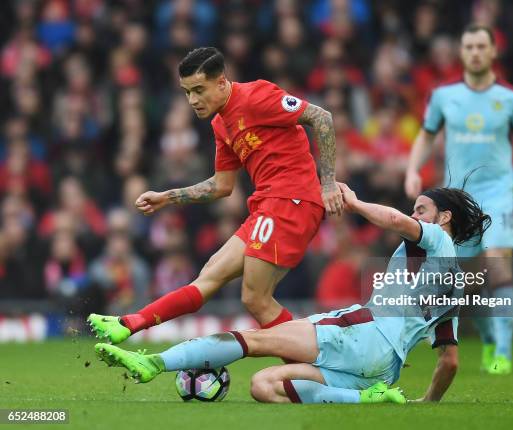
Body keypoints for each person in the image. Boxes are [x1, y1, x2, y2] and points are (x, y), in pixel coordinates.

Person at [94, 182, 491, 404]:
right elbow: (450, 361)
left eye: (420, 209)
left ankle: (155, 364)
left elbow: (392, 219)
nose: (414, 215)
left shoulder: (435, 238)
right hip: (382, 368)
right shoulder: (453, 286)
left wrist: (353, 203)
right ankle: (366, 399)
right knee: (263, 386)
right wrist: (427, 404)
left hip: (364, 332)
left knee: (255, 340)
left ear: (444, 217)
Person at [88, 47, 343, 343]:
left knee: (254, 298)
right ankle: (129, 323)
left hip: (291, 201)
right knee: (208, 277)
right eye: (187, 92)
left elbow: (321, 118)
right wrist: (167, 197)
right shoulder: (221, 124)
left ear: (221, 82)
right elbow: (222, 185)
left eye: (199, 90)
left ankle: (320, 369)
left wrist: (328, 184)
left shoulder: (256, 96)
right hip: (266, 206)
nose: (193, 100)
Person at [404, 24, 513, 374]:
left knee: (498, 265)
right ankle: (488, 339)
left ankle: (502, 351)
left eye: (481, 46)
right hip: (457, 200)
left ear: (493, 51)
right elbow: (426, 136)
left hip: (499, 194)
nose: (475, 52)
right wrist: (413, 169)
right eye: (468, 46)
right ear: (462, 52)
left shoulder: (512, 100)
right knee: (468, 284)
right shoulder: (443, 96)